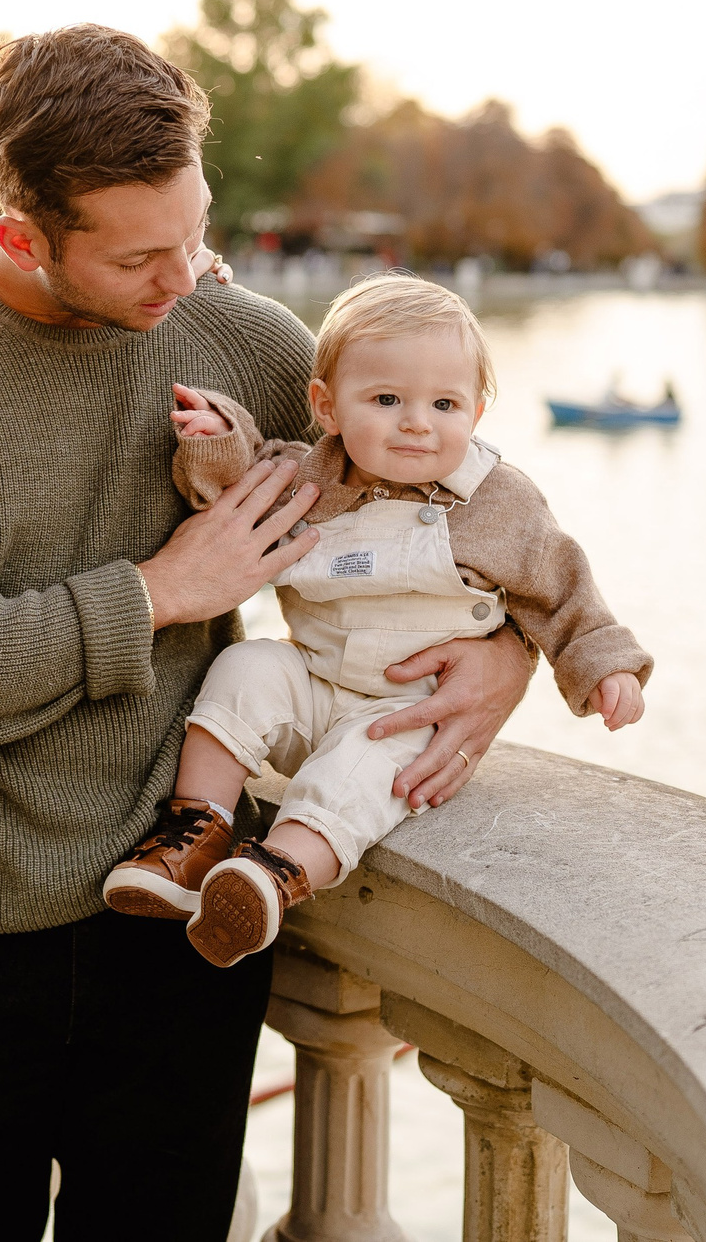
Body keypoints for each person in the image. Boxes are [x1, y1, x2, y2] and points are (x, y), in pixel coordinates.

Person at [0, 25, 540, 1241]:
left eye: (195, 229)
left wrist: (509, 656)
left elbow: (461, 506)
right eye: (142, 254)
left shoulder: (243, 340)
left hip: (182, 921)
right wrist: (161, 592)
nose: (187, 274)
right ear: (27, 236)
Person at [105, 274, 653, 963]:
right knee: (247, 666)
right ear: (326, 407)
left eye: (444, 403)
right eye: (386, 399)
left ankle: (273, 873)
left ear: (477, 413)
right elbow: (239, 486)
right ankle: (195, 829)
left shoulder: (497, 501)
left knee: (368, 772)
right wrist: (216, 438)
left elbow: (563, 590)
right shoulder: (312, 478)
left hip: (409, 713)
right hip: (315, 684)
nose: (417, 421)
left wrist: (607, 668)